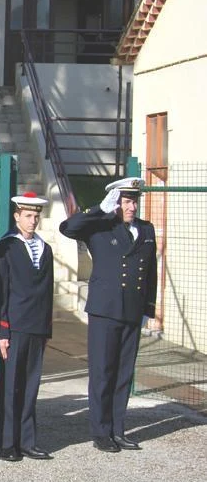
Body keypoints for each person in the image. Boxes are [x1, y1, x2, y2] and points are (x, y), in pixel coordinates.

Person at [60, 177, 156, 453]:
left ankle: (118, 429)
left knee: (124, 373)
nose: (132, 207)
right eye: (126, 201)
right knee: (103, 372)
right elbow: (67, 228)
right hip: (105, 310)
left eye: (134, 201)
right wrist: (99, 210)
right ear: (115, 202)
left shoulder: (146, 229)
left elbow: (151, 272)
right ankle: (101, 432)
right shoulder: (100, 226)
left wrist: (148, 309)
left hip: (132, 311)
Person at [0, 192, 54, 462]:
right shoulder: (5, 248)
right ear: (17, 216)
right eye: (27, 215)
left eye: (36, 216)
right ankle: (7, 443)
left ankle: (27, 440)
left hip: (36, 326)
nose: (32, 220)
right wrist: (2, 330)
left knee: (30, 385)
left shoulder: (44, 248)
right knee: (10, 385)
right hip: (14, 326)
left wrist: (47, 328)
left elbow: (47, 291)